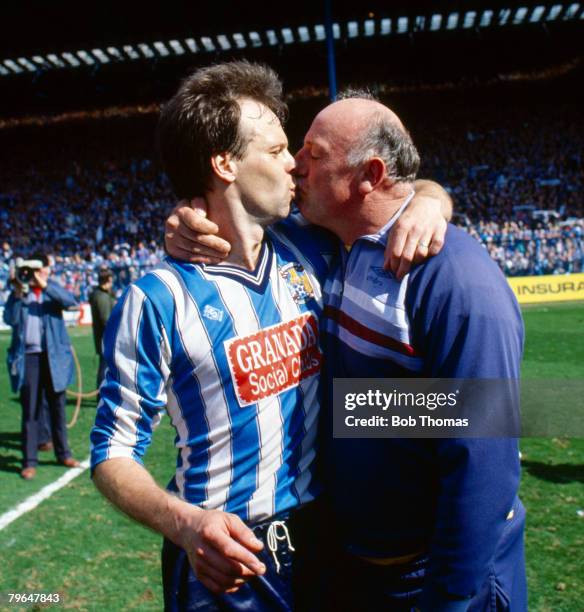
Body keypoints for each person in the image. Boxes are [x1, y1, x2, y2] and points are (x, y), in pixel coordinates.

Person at [90, 62, 449, 612]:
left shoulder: (313, 247)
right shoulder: (158, 299)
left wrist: (430, 200)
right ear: (225, 163)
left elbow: (390, 190)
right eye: (279, 149)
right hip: (224, 562)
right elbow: (112, 453)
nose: (295, 165)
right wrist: (185, 524)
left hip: (329, 541)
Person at [169, 93, 526, 610]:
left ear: (369, 174)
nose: (295, 164)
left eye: (314, 154)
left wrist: (450, 596)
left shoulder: (457, 284)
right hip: (359, 567)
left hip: (435, 576)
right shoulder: (332, 244)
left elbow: (481, 458)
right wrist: (188, 221)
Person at [4, 253, 81, 480]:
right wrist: (18, 293)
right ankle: (29, 461)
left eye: (36, 271)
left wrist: (45, 286)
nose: (32, 276)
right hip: (28, 357)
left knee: (57, 406)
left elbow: (71, 302)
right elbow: (11, 319)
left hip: (53, 356)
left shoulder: (51, 290)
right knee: (31, 409)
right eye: (28, 272)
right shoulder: (20, 295)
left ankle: (63, 454)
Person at [89, 267, 116, 388]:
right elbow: (106, 320)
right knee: (104, 367)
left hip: (104, 338)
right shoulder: (101, 297)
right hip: (106, 339)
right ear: (107, 280)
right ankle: (101, 392)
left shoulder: (101, 294)